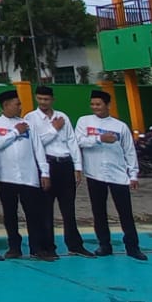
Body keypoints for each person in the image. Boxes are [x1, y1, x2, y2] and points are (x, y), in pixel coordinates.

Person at [76, 90, 146, 261]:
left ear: (108, 105)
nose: (95, 107)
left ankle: (132, 247)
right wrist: (99, 139)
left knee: (125, 213)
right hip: (95, 174)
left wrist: (133, 174)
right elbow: (78, 141)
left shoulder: (120, 126)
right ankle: (104, 245)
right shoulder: (84, 121)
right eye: (92, 104)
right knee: (99, 212)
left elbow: (129, 150)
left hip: (118, 175)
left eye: (98, 104)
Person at [0, 91, 54, 262]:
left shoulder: (28, 124)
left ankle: (36, 248)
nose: (20, 107)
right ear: (6, 105)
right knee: (10, 214)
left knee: (34, 214)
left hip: (28, 176)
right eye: (17, 104)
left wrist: (44, 172)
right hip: (6, 176)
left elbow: (38, 149)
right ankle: (14, 247)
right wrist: (15, 132)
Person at [26, 86, 92, 257]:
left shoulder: (62, 117)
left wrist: (78, 166)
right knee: (46, 210)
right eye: (40, 99)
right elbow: (36, 143)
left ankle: (75, 245)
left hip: (65, 164)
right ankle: (49, 247)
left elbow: (72, 141)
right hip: (47, 165)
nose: (43, 102)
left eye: (46, 99)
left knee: (69, 209)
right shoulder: (31, 118)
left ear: (52, 100)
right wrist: (53, 129)